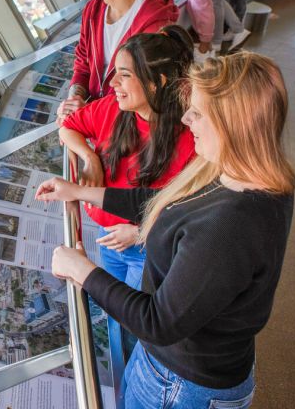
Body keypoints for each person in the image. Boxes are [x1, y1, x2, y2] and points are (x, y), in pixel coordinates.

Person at [37, 52, 295, 409]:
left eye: (199, 113)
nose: (187, 119)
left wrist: (84, 272)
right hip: (186, 369)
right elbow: (165, 203)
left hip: (180, 387)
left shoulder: (229, 225)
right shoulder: (248, 175)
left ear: (234, 124)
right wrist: (81, 192)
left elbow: (159, 322)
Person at [59, 25, 196, 291]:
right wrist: (90, 157)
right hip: (108, 237)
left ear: (157, 82)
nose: (112, 84)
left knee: (129, 315)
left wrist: (139, 233)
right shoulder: (112, 107)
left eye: (124, 75)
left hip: (146, 247)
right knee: (114, 310)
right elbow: (69, 127)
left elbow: (190, 209)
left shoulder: (191, 138)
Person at [60, 0, 178, 121]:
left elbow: (142, 94)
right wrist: (75, 98)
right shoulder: (93, 10)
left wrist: (85, 114)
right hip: (98, 118)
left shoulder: (155, 29)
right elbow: (83, 64)